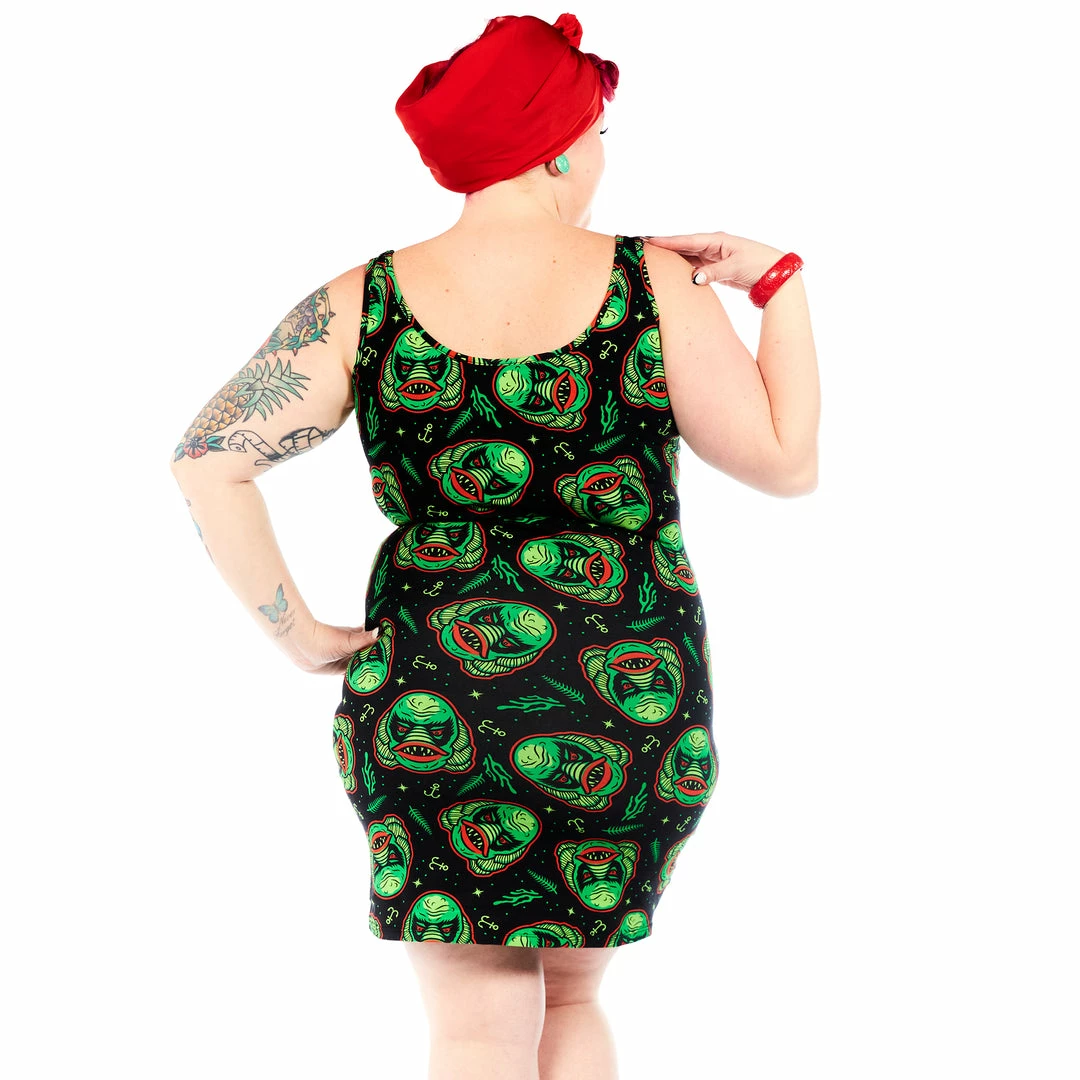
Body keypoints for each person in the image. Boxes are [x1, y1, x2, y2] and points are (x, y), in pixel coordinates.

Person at [169, 12, 819, 1080]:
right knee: (574, 997)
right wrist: (778, 284)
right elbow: (787, 462)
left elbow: (207, 459)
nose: (601, 155)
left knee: (475, 1029)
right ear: (558, 147)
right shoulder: (652, 284)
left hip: (437, 703)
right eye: (599, 132)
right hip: (626, 702)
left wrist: (300, 636)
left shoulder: (363, 300)